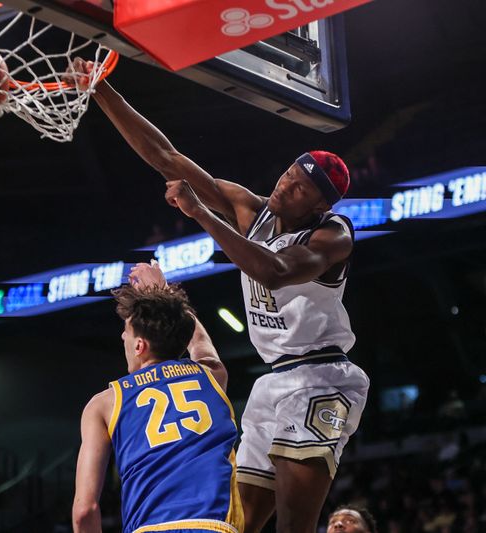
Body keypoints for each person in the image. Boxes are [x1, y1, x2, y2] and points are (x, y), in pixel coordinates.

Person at [71, 59, 370, 533]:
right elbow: (167, 157)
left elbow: (271, 271)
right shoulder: (254, 208)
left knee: (294, 525)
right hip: (274, 380)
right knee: (235, 525)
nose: (284, 185)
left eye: (299, 188)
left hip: (323, 377)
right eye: (289, 173)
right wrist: (101, 89)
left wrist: (201, 215)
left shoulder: (333, 236)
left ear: (318, 205)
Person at [72, 262, 243, 533]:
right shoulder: (210, 376)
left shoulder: (104, 403)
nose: (122, 337)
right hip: (211, 526)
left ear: (139, 345)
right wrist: (164, 290)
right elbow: (200, 343)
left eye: (126, 334)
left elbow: (84, 511)